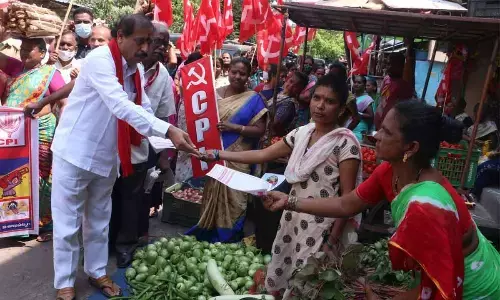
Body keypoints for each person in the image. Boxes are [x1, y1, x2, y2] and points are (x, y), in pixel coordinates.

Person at [264, 100, 500, 300]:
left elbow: (435, 283)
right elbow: (346, 204)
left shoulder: (425, 205)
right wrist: (289, 201)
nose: (376, 136)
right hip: (439, 274)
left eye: (387, 132)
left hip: (472, 284)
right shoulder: (389, 171)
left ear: (411, 147)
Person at [49, 14, 197, 300]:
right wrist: (169, 130)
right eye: (139, 41)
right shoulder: (99, 60)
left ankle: (96, 271)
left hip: (108, 156)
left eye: (148, 42)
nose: (144, 48)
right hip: (75, 153)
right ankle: (64, 282)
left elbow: (143, 111)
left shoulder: (136, 71)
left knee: (99, 220)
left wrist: (171, 141)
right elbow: (120, 105)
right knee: (68, 224)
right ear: (120, 36)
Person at [199, 73, 363, 297]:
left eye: (330, 101)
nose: (320, 106)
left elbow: (348, 200)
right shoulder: (302, 133)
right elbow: (263, 153)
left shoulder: (346, 144)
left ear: (342, 108)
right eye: (317, 98)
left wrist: (332, 241)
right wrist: (218, 154)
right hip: (292, 219)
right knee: (284, 274)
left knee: (307, 284)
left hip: (321, 229)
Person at [109, 20, 176, 268]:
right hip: (110, 141)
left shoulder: (163, 76)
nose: (158, 48)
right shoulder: (120, 66)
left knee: (132, 198)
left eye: (163, 44)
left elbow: (162, 115)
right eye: (155, 41)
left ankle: (126, 245)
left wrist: (163, 153)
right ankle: (105, 241)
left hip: (141, 144)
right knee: (106, 196)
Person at [187, 57, 268, 243]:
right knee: (212, 195)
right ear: (228, 71)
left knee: (235, 200)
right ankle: (209, 233)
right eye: (234, 72)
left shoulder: (254, 99)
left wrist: (234, 128)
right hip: (215, 155)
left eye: (243, 73)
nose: (238, 76)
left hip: (239, 158)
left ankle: (229, 237)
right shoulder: (213, 95)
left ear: (249, 76)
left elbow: (260, 131)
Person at [2, 38, 66, 243]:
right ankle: (16, 223)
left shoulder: (51, 74)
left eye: (30, 49)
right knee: (13, 177)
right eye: (23, 49)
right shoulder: (15, 69)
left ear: (42, 53)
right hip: (13, 133)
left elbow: (65, 102)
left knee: (41, 177)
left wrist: (62, 132)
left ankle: (46, 223)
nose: (25, 52)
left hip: (41, 130)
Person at [174, 51, 204, 183]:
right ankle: (185, 181)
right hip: (189, 111)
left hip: (193, 111)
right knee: (189, 144)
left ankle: (186, 180)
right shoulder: (188, 78)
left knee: (190, 145)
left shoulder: (197, 76)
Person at [374, 52, 414, 129]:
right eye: (387, 64)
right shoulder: (386, 79)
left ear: (400, 66)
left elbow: (403, 110)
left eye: (391, 64)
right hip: (379, 122)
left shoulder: (404, 86)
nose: (388, 67)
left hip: (390, 126)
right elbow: (381, 99)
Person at [271, 71, 309, 137]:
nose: (290, 86)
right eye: (291, 81)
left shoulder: (288, 104)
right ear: (287, 80)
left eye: (295, 86)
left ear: (300, 90)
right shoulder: (280, 93)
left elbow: (275, 123)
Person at [350, 75, 374, 141]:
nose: (356, 84)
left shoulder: (367, 99)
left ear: (364, 85)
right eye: (355, 82)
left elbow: (371, 115)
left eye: (359, 82)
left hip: (358, 130)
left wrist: (358, 113)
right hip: (348, 127)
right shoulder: (350, 96)